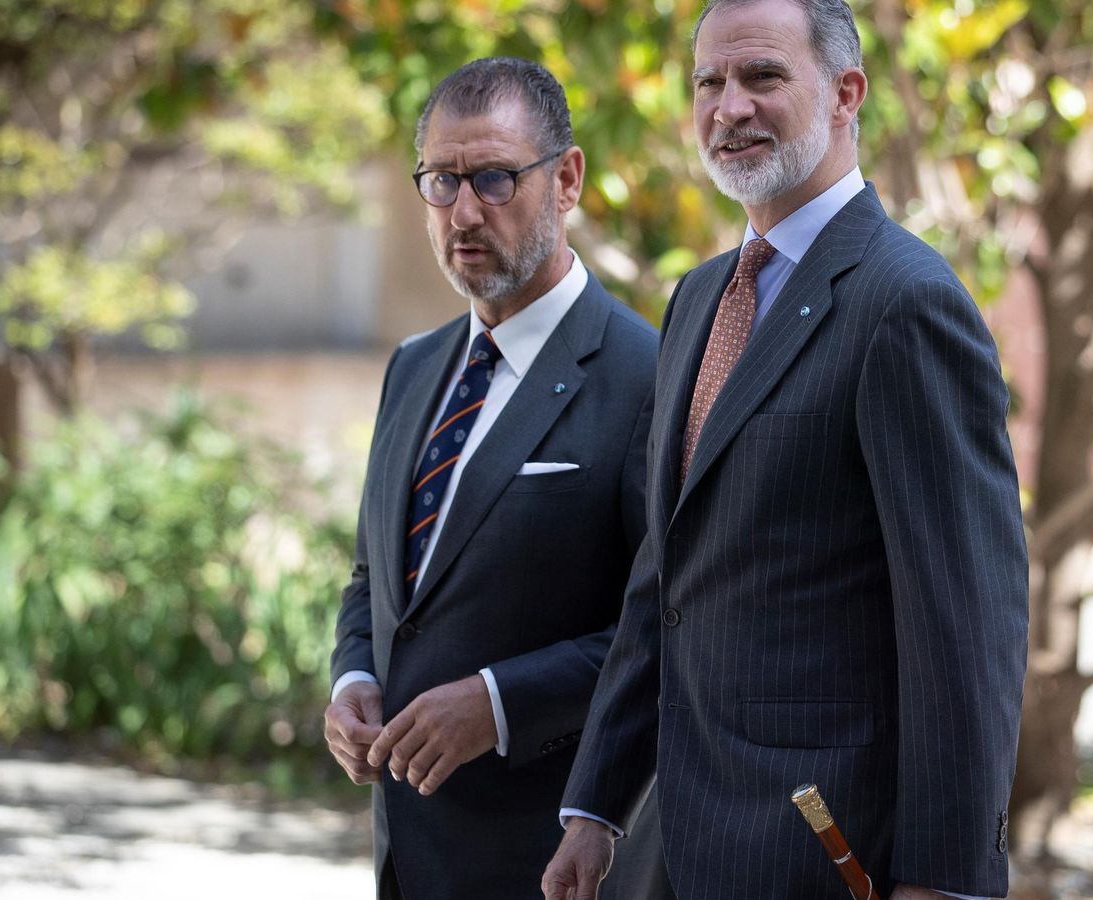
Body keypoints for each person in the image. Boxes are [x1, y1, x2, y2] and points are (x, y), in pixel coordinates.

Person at [541, 1, 1029, 898]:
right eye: (709, 82)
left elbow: (966, 624)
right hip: (674, 842)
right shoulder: (697, 300)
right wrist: (596, 806)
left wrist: (946, 878)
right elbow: (668, 571)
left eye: (763, 77)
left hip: (825, 850)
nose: (729, 107)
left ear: (846, 94)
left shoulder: (906, 303)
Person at [322, 57, 662, 900]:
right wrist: (353, 679)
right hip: (405, 854)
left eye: (496, 178)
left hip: (554, 862)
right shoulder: (413, 367)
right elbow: (376, 578)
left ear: (568, 178)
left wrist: (500, 701)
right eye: (441, 181)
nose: (464, 212)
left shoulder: (649, 375)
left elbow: (667, 626)